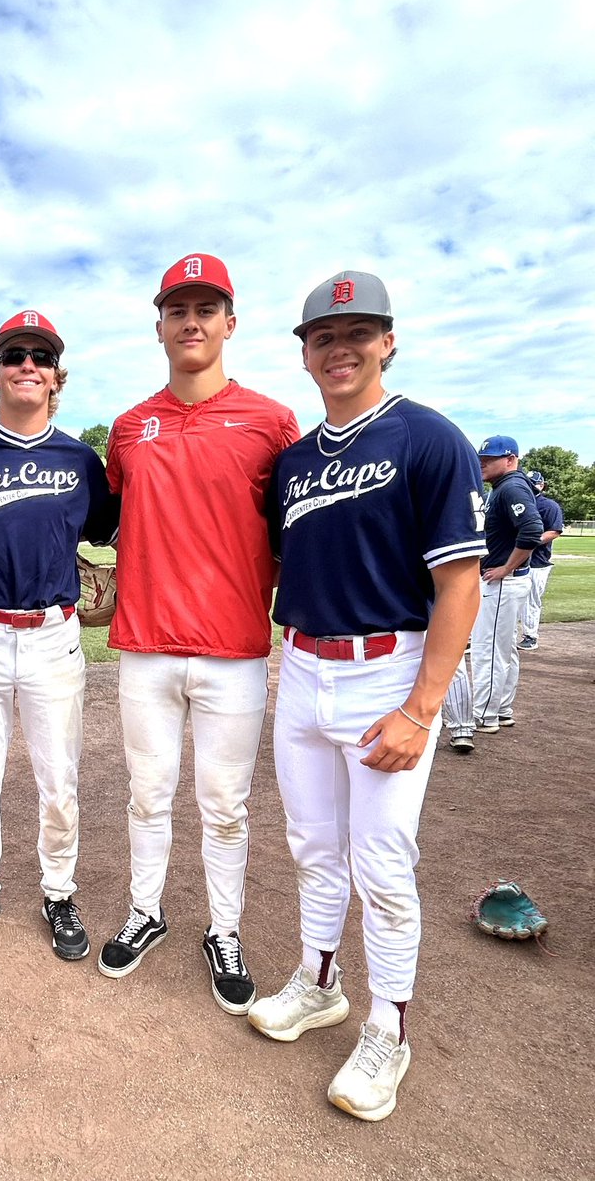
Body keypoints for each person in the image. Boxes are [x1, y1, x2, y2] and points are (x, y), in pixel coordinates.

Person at [250, 270, 485, 1122]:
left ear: (387, 341)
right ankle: (319, 982)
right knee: (313, 846)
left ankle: (388, 1028)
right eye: (323, 336)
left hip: (388, 668)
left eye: (357, 332)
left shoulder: (428, 437)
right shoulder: (292, 462)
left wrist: (421, 708)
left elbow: (461, 583)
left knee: (381, 865)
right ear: (304, 354)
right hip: (303, 666)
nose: (339, 348)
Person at [96, 253, 299, 1015]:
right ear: (158, 326)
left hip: (232, 649)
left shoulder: (271, 421)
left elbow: (293, 531)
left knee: (225, 806)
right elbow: (115, 520)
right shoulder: (128, 427)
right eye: (177, 309)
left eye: (205, 309)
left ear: (229, 323)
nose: (191, 321)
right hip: (145, 646)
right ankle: (144, 912)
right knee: (147, 797)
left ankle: (224, 930)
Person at [0, 311, 119, 963]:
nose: (27, 365)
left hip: (52, 637)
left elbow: (114, 534)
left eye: (40, 357)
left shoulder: (79, 459)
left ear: (55, 377)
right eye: (15, 355)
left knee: (58, 779)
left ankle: (58, 891)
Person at [443, 436, 544, 750]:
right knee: (504, 649)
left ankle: (484, 715)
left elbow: (533, 529)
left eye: (490, 458)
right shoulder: (505, 487)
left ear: (511, 459)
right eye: (482, 458)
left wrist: (506, 567)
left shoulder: (511, 487)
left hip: (501, 582)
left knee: (487, 650)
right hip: (507, 583)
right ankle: (501, 709)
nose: (482, 463)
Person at [517, 471, 565, 651]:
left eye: (534, 483)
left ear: (542, 485)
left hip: (538, 562)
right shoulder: (519, 502)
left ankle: (530, 636)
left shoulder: (548, 506)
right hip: (515, 560)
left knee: (531, 600)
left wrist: (529, 541)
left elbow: (554, 531)